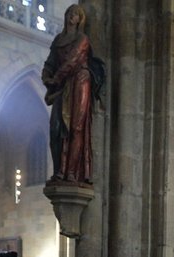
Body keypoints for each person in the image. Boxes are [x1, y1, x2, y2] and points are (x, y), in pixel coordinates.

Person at [42, 4, 97, 184]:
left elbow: (73, 60)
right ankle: (59, 170)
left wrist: (55, 78)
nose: (71, 17)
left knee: (76, 128)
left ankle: (72, 172)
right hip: (62, 87)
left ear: (80, 19)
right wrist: (46, 76)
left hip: (80, 82)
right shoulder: (58, 40)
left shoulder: (82, 39)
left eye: (75, 14)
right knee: (56, 128)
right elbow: (50, 62)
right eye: (69, 13)